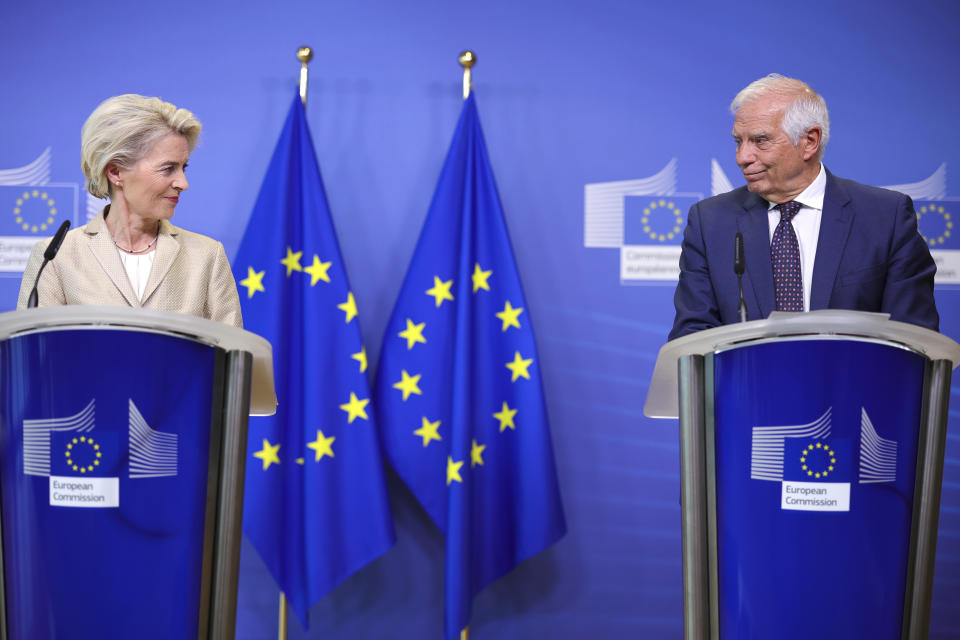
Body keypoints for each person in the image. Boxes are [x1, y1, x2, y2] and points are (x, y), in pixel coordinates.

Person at [669, 74, 938, 340]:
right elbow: (692, 336)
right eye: (739, 141)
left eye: (760, 140)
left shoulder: (885, 217)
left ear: (809, 141)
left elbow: (913, 337)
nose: (742, 157)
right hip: (750, 382)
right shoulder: (712, 222)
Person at [17, 94, 242, 327]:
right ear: (115, 172)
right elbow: (35, 355)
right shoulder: (56, 257)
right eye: (168, 169)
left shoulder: (206, 255)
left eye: (183, 168)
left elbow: (235, 356)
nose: (183, 183)